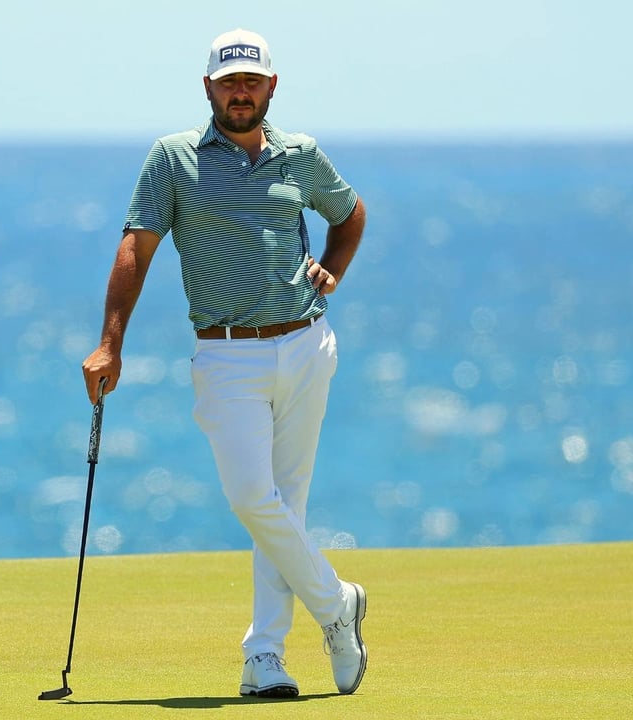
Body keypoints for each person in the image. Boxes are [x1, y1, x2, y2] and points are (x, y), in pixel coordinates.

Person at [80, 28, 368, 698]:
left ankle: (264, 657)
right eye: (229, 82)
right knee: (252, 497)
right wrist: (110, 342)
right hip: (227, 352)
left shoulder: (300, 155)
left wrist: (334, 269)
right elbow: (136, 248)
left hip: (307, 343)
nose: (241, 93)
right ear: (208, 87)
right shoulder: (174, 157)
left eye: (252, 81)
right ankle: (337, 605)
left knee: (285, 506)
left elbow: (350, 215)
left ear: (272, 86)